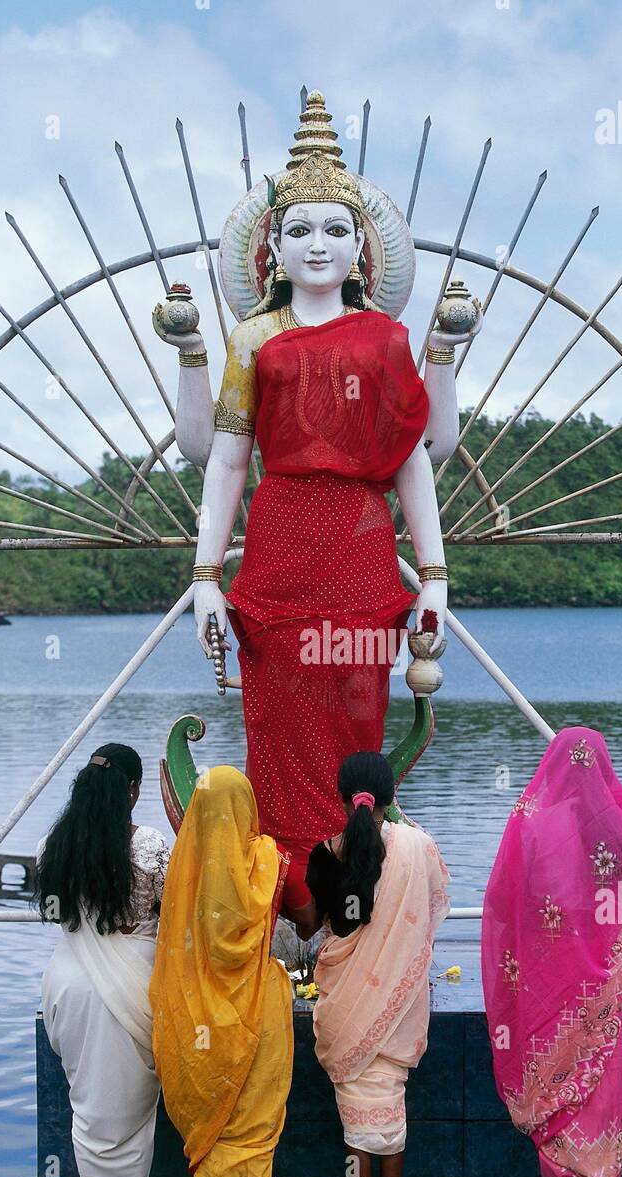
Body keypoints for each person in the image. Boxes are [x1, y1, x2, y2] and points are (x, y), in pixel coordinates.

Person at [154, 91, 479, 915]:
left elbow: (413, 463)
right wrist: (204, 578)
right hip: (276, 555)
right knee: (277, 729)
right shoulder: (251, 342)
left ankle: (349, 896)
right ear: (270, 248)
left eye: (336, 229)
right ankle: (284, 902)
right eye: (297, 229)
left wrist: (433, 578)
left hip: (362, 555)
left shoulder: (386, 342)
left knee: (354, 724)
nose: (317, 245)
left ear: (363, 247)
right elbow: (226, 463)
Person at [481, 727, 622, 1177]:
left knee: (555, 1078)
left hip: (546, 985)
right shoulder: (616, 829)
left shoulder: (531, 822)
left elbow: (505, 903)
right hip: (602, 991)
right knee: (602, 1085)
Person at [297, 751, 450, 1177]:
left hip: (346, 1005)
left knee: (356, 1126)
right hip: (398, 1007)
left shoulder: (325, 853)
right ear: (391, 795)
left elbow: (308, 927)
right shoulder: (418, 846)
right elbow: (435, 909)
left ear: (342, 799)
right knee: (392, 1109)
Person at [150, 766, 293, 1177]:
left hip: (194, 1013)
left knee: (212, 1129)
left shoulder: (182, 868)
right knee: (249, 1135)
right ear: (247, 807)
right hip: (260, 1009)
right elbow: (310, 919)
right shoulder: (270, 861)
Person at [38, 742, 170, 1177]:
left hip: (69, 984)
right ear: (132, 790)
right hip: (137, 987)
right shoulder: (150, 845)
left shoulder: (53, 846)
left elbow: (60, 915)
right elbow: (170, 913)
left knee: (89, 1107)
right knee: (133, 1114)